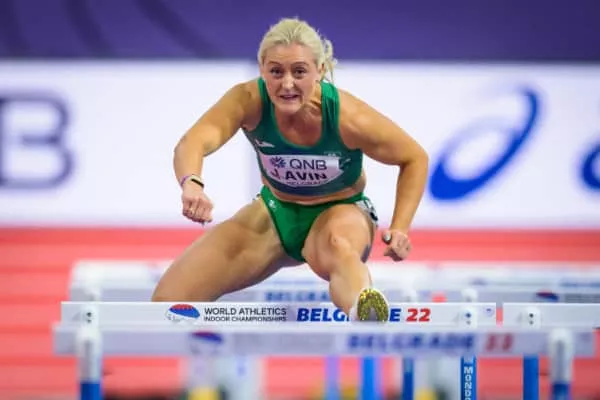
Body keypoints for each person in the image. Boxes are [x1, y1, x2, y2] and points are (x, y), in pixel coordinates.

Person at [151, 17, 429, 322]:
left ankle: (365, 307)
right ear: (262, 69)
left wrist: (400, 227)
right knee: (167, 302)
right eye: (276, 72)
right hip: (275, 212)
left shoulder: (347, 117)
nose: (287, 85)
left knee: (338, 245)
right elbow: (192, 142)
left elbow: (414, 157)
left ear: (319, 70)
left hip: (340, 211)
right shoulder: (247, 100)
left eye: (299, 72)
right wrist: (191, 182)